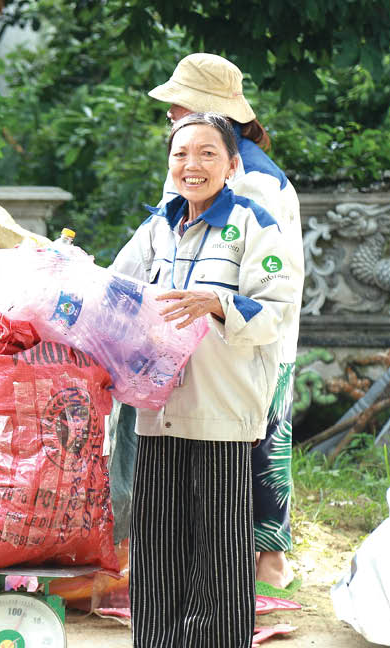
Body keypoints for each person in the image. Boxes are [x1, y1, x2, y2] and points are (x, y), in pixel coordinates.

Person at [111, 113, 302, 648]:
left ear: (232, 163)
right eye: (180, 155)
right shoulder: (156, 228)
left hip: (223, 405)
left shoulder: (254, 224)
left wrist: (217, 302)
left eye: (206, 153)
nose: (190, 165)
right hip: (160, 403)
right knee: (159, 537)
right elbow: (115, 287)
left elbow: (277, 309)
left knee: (219, 544)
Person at [149, 53, 304, 590]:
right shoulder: (231, 161)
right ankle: (260, 563)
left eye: (179, 106)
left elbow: (259, 276)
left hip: (242, 336)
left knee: (252, 448)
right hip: (224, 337)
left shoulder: (248, 181)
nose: (170, 115)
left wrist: (215, 306)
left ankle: (259, 566)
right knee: (262, 443)